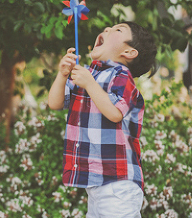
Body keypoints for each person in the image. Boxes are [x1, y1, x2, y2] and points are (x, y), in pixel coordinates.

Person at [47, 21, 157, 217]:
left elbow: (115, 112)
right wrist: (62, 75)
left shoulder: (122, 76)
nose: (107, 30)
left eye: (117, 30)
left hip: (118, 182)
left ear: (129, 52)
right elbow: (55, 103)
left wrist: (89, 83)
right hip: (96, 183)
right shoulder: (88, 75)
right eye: (108, 28)